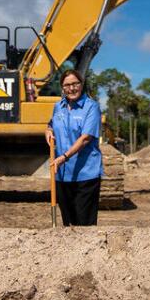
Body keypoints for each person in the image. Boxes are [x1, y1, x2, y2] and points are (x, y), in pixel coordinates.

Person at [45, 69, 103, 226]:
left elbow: (85, 138)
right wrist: (48, 131)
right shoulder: (58, 107)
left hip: (85, 176)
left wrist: (63, 157)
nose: (71, 88)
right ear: (62, 88)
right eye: (67, 85)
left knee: (84, 226)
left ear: (81, 84)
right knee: (68, 225)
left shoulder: (91, 107)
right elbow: (51, 124)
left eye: (75, 84)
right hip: (62, 175)